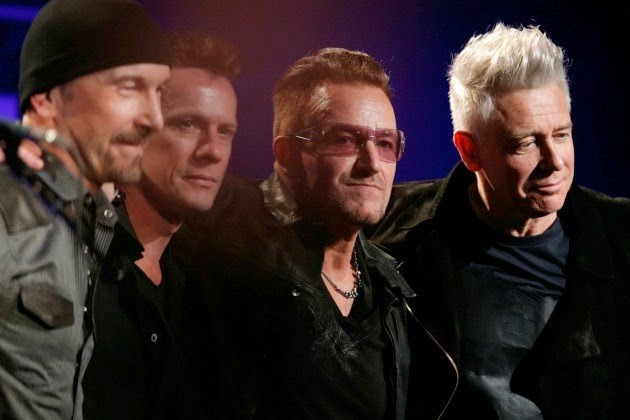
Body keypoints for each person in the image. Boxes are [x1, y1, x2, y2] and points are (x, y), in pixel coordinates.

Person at [174, 47, 457, 420]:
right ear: (287, 153)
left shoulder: (390, 284)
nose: (373, 163)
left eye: (386, 144)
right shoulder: (226, 221)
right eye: (345, 140)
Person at [368, 22, 630, 419]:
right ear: (469, 150)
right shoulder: (385, 229)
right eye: (525, 143)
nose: (555, 162)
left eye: (562, 134)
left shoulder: (623, 236)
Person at [0, 0, 170, 418]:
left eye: (160, 92)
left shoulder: (91, 226)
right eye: (128, 87)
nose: (156, 118)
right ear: (46, 99)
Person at [80, 32, 239, 420]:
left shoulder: (208, 279)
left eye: (225, 131)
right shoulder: (74, 259)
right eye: (188, 124)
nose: (213, 151)